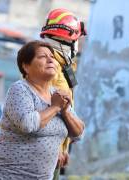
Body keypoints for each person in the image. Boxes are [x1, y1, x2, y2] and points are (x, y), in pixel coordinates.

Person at [0, 40, 84, 180]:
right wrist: (55, 107)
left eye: (52, 57)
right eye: (42, 57)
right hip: (6, 175)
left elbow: (78, 134)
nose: (50, 59)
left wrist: (66, 111)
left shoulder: (57, 94)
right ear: (26, 66)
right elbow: (27, 124)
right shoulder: (20, 89)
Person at [40, 8, 87, 179]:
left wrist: (64, 145)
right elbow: (50, 112)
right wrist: (58, 149)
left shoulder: (50, 63)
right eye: (77, 40)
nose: (78, 45)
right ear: (68, 40)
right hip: (47, 155)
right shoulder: (54, 71)